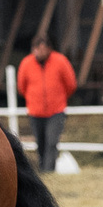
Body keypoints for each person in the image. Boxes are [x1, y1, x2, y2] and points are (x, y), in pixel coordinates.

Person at [15, 33, 76, 173]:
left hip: (56, 110)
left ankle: (49, 170)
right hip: (35, 111)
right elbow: (21, 87)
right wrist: (32, 99)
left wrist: (59, 98)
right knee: (40, 143)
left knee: (52, 142)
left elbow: (71, 84)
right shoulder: (26, 63)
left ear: (49, 49)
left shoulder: (60, 61)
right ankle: (43, 168)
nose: (39, 52)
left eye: (42, 49)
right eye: (37, 49)